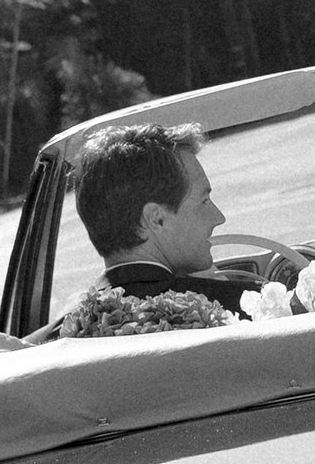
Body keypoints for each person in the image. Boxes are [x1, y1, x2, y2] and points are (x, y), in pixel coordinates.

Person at [69, 121, 268, 318]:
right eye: (204, 201)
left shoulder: (53, 339)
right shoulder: (251, 306)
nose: (219, 217)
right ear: (156, 219)